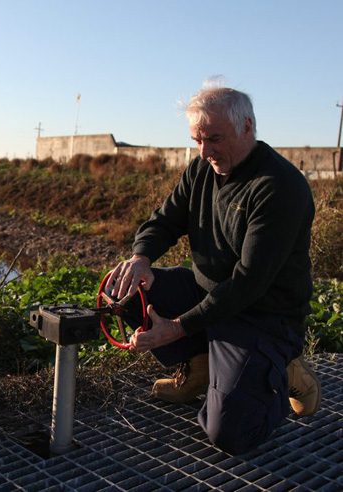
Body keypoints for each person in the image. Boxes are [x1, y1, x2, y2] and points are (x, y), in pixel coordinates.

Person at [106, 82, 321, 455]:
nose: (205, 151)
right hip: (207, 295)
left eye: (215, 138)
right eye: (197, 140)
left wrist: (175, 328)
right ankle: (201, 368)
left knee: (230, 434)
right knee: (120, 288)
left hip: (261, 314)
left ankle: (280, 369)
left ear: (248, 127)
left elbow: (247, 283)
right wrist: (141, 257)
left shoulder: (279, 186)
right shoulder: (201, 170)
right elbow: (163, 222)